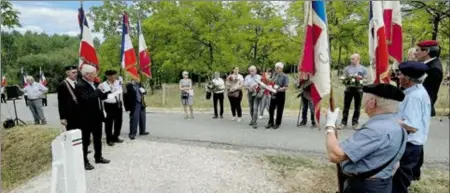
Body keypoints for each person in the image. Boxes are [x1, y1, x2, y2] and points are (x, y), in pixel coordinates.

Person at [325, 83, 407, 193]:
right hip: (383, 184)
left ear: (372, 102)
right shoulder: (399, 127)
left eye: (366, 98)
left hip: (365, 187)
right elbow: (395, 165)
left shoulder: (376, 129)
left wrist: (330, 124)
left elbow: (335, 155)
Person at [392, 62, 431, 193]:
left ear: (408, 79)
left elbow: (411, 126)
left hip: (408, 146)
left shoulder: (413, 97)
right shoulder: (418, 91)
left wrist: (389, 121)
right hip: (412, 145)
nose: (399, 76)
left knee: (399, 183)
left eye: (401, 74)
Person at [412, 40, 443, 181]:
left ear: (426, 52)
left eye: (418, 50)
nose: (415, 52)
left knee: (416, 140)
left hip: (421, 108)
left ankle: (415, 171)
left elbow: (428, 94)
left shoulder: (433, 69)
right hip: (417, 107)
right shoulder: (426, 65)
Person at [74, 64, 110, 170]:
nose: (96, 75)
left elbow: (99, 96)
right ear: (87, 74)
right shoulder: (80, 85)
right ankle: (84, 161)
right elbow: (86, 99)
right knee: (86, 140)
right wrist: (98, 91)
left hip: (97, 115)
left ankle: (98, 157)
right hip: (86, 117)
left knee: (98, 137)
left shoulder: (94, 83)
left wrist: (108, 91)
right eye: (94, 73)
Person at [339, 53, 368, 130]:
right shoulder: (347, 68)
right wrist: (346, 81)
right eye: (351, 59)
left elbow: (366, 79)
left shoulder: (363, 69)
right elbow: (343, 78)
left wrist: (359, 80)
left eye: (353, 59)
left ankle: (355, 123)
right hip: (348, 90)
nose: (351, 60)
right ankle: (343, 122)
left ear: (358, 59)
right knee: (346, 107)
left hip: (359, 90)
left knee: (357, 107)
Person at [100, 70, 124, 146]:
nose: (113, 77)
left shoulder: (118, 82)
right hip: (109, 105)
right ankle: (109, 139)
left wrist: (122, 84)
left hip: (118, 104)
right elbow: (102, 97)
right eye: (111, 75)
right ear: (107, 76)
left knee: (118, 122)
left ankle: (115, 136)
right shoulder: (103, 85)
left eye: (114, 75)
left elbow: (124, 92)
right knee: (109, 123)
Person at [265, 62, 289, 129]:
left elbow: (286, 87)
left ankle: (277, 123)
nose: (276, 69)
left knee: (279, 109)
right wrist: (269, 86)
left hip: (280, 94)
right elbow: (271, 82)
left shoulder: (285, 76)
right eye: (275, 68)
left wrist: (279, 89)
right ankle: (270, 122)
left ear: (281, 68)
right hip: (273, 93)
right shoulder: (274, 75)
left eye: (277, 68)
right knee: (271, 109)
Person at [57, 65, 80, 131]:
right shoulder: (62, 85)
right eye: (73, 72)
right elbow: (61, 102)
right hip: (70, 115)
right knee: (73, 134)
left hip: (80, 113)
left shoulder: (79, 82)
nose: (76, 74)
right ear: (67, 73)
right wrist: (62, 117)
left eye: (76, 72)